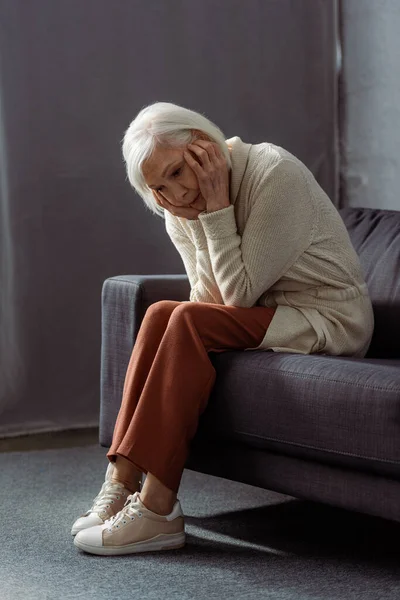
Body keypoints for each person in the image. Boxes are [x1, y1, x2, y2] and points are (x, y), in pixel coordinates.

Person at [72, 101, 374, 556]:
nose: (174, 194)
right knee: (161, 314)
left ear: (204, 145)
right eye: (159, 187)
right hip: (266, 316)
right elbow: (210, 300)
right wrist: (195, 216)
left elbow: (236, 298)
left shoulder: (273, 172)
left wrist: (215, 209)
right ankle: (120, 483)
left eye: (178, 171)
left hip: (326, 317)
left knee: (187, 320)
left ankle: (158, 511)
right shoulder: (177, 206)